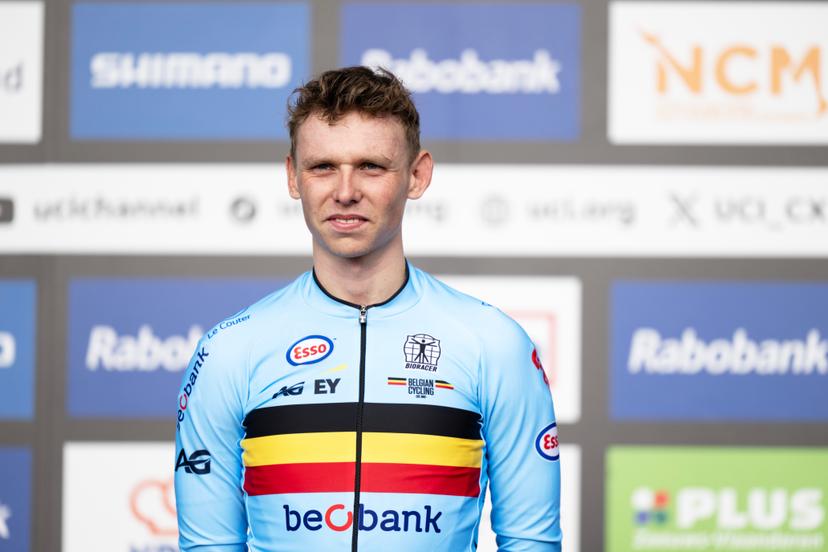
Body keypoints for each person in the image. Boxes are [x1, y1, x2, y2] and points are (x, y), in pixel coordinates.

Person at [174, 66, 562, 551]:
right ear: (293, 176)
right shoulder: (231, 348)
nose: (345, 191)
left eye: (371, 167)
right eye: (322, 167)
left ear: (417, 175)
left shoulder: (494, 343)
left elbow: (530, 542)